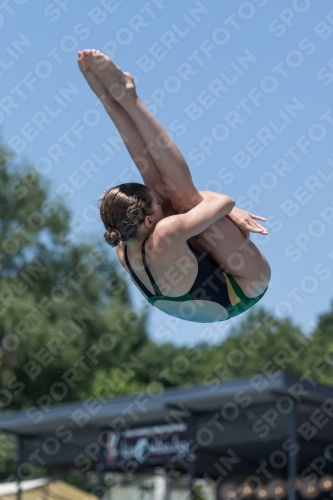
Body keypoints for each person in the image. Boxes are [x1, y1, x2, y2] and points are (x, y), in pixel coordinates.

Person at [77, 49, 271, 323]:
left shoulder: (124, 243)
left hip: (197, 286)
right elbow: (225, 201)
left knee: (169, 198)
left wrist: (219, 212)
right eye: (153, 206)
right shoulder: (165, 232)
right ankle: (130, 99)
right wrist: (225, 211)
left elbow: (217, 206)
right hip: (243, 287)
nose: (160, 199)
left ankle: (110, 99)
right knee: (184, 200)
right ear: (147, 219)